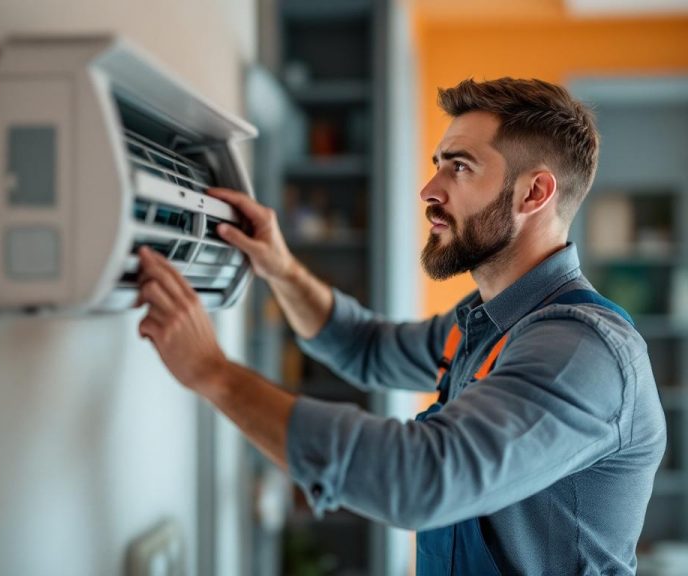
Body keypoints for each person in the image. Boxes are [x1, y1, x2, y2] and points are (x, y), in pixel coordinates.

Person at [134, 77, 666, 575]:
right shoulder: (484, 324)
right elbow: (365, 347)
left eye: (460, 168)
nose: (429, 189)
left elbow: (423, 480)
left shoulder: (581, 351)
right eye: (438, 165)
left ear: (534, 193)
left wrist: (214, 374)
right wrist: (281, 267)